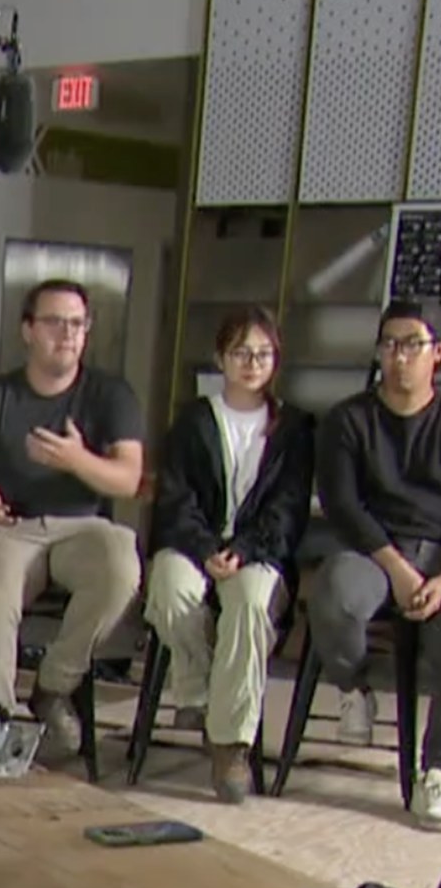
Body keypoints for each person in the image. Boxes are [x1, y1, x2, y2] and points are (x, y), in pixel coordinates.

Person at [0, 278, 147, 760]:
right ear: (28, 331)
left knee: (121, 563)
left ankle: (55, 684)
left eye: (77, 324)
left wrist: (76, 460)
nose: (68, 334)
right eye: (55, 322)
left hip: (83, 527)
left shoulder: (110, 395)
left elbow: (127, 480)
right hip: (9, 528)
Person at [144, 307, 313, 804]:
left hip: (259, 552)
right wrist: (205, 548)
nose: (252, 363)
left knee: (251, 604)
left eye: (263, 353)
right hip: (195, 543)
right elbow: (175, 500)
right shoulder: (194, 420)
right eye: (241, 352)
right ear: (221, 358)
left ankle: (230, 744)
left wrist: (241, 550)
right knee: (169, 587)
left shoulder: (294, 428)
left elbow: (288, 510)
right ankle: (199, 691)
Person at [310, 296, 441, 827]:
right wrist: (396, 567)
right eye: (390, 344)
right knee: (336, 593)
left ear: (437, 354)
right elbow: (342, 504)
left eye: (412, 344)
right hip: (372, 548)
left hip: (438, 555)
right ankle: (352, 685)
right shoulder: (350, 419)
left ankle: (436, 770)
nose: (399, 356)